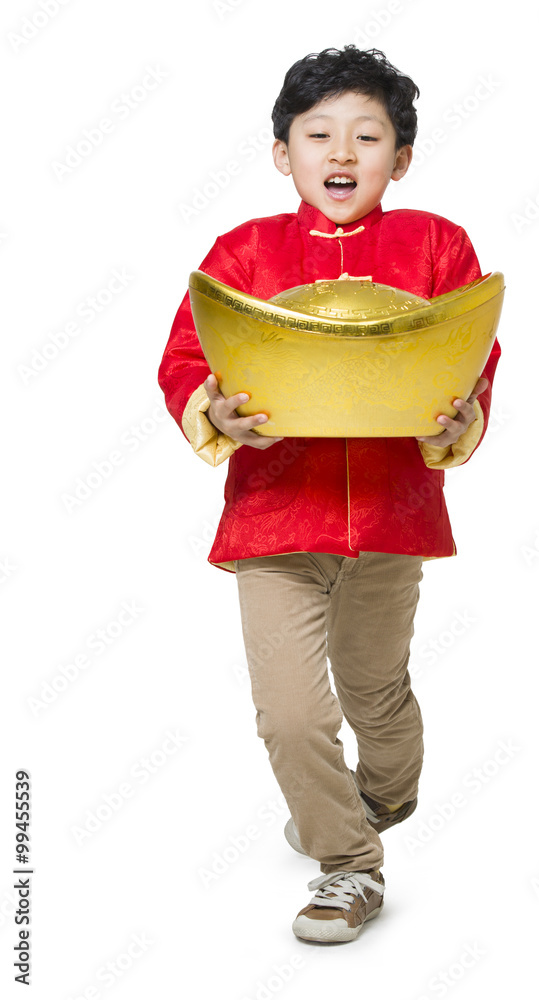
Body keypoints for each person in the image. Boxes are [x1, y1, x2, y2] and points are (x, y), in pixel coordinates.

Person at [158, 44, 501, 944]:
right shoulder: (241, 252)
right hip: (273, 519)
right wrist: (215, 413)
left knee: (373, 690)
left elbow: (472, 354)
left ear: (401, 157)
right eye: (317, 134)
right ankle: (348, 866)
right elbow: (187, 359)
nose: (340, 153)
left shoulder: (437, 244)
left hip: (391, 518)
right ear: (284, 152)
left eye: (366, 135)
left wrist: (453, 419)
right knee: (288, 713)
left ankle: (379, 799)